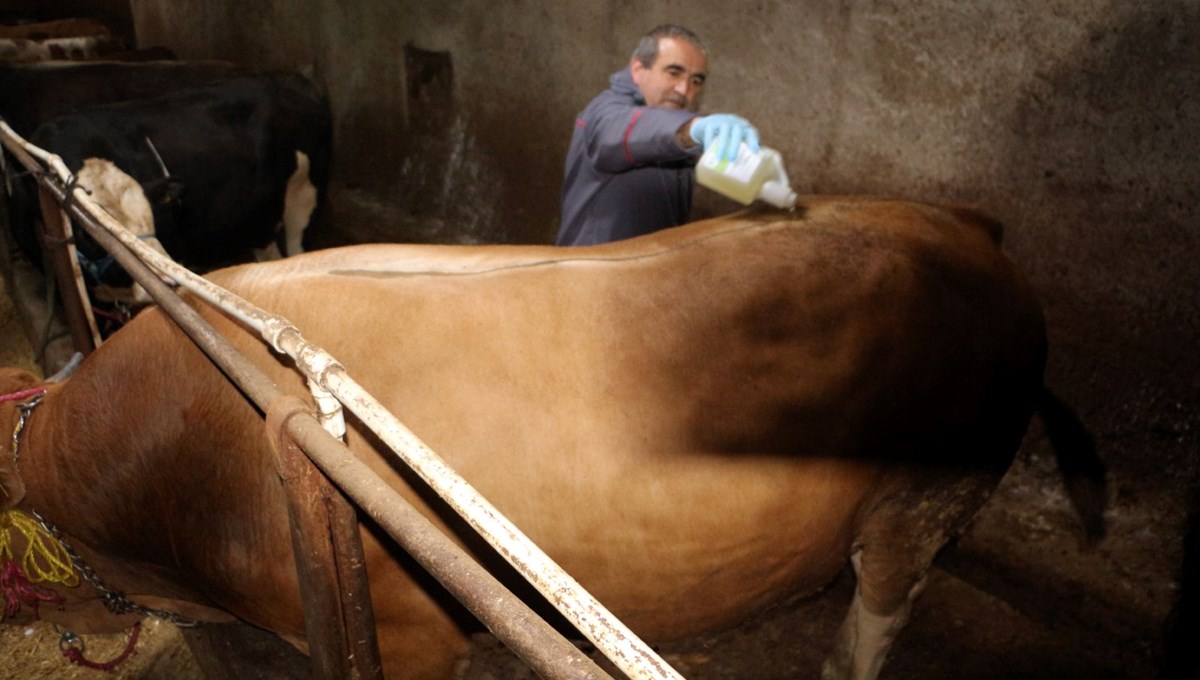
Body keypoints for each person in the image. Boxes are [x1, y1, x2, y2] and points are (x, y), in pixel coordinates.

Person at [556, 24, 761, 246]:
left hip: (650, 272)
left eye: (696, 81)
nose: (684, 89)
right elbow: (625, 129)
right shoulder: (605, 112)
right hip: (594, 275)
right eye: (674, 72)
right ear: (638, 68)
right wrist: (692, 127)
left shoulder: (677, 125)